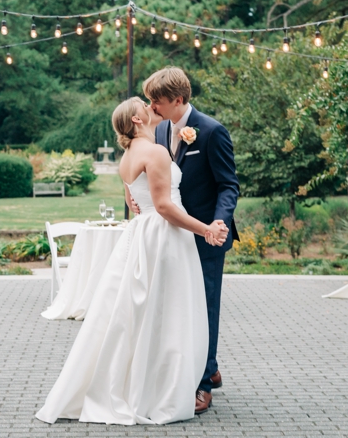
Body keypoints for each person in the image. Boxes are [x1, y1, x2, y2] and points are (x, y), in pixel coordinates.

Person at [36, 97, 228, 425]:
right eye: (144, 105)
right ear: (137, 120)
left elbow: (133, 202)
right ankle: (159, 389)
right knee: (167, 312)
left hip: (143, 233)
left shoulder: (128, 157)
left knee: (144, 312)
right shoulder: (154, 152)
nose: (150, 106)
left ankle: (150, 381)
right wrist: (205, 229)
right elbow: (164, 207)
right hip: (164, 237)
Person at [131, 67, 241, 413]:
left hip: (207, 235)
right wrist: (135, 197)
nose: (152, 106)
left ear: (178, 100)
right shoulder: (160, 129)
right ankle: (209, 367)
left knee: (205, 308)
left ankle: (203, 384)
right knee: (181, 308)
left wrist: (218, 222)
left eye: (157, 100)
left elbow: (228, 185)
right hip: (172, 236)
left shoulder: (212, 131)